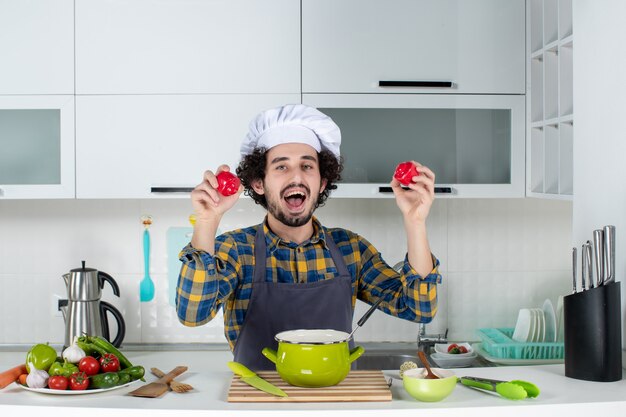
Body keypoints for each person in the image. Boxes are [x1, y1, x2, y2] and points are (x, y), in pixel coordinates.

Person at [176, 104, 442, 370]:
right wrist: (207, 221)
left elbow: (419, 308)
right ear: (259, 183)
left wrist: (415, 220)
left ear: (322, 182)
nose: (297, 177)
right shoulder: (235, 250)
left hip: (335, 399)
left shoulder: (351, 249)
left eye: (307, 166)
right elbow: (192, 315)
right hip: (260, 401)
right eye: (281, 167)